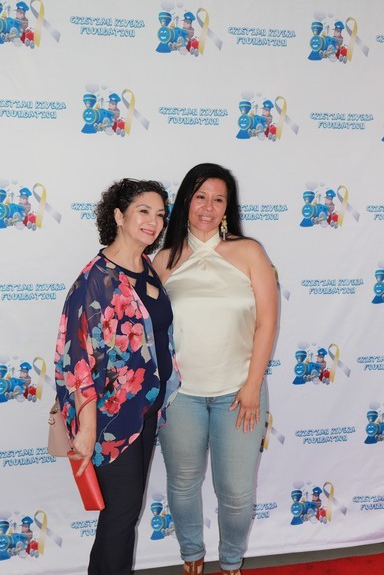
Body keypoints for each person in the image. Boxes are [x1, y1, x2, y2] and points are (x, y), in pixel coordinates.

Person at [153, 163, 278, 575]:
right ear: (185, 202)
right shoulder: (164, 260)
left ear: (228, 207)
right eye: (200, 197)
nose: (208, 207)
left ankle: (231, 562)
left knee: (237, 493)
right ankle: (191, 554)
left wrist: (252, 385)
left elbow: (267, 322)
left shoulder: (250, 252)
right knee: (183, 483)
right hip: (180, 396)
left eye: (218, 199)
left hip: (239, 393)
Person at [54, 179, 180, 575]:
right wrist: (87, 427)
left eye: (159, 214)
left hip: (143, 413)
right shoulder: (96, 280)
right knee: (121, 516)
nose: (153, 221)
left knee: (122, 516)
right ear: (118, 215)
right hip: (111, 420)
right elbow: (76, 358)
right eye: (143, 211)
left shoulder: (146, 268)